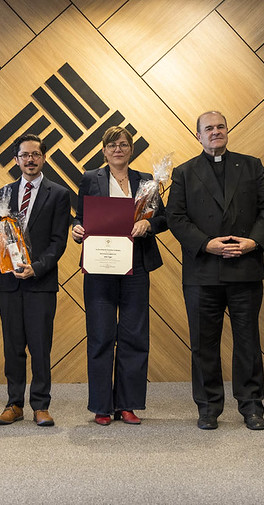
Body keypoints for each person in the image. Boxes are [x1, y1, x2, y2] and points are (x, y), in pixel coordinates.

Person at [166, 111, 264, 431]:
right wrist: (206, 244)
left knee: (247, 341)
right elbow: (176, 217)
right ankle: (208, 406)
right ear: (198, 136)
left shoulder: (251, 165)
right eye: (209, 129)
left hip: (245, 267)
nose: (216, 132)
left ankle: (252, 406)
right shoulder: (184, 172)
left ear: (227, 131)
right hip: (203, 271)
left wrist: (253, 242)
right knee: (203, 343)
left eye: (220, 127)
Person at [72, 125, 167, 425]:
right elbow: (80, 218)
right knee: (101, 336)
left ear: (131, 149)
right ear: (103, 150)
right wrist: (76, 230)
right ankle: (102, 405)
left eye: (123, 144)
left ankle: (127, 404)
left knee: (134, 336)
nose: (118, 150)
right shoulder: (90, 178)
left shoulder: (147, 182)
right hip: (99, 267)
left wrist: (148, 225)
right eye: (112, 145)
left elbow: (162, 218)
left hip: (135, 266)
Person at [0, 133, 71, 427]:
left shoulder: (58, 193)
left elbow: (58, 242)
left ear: (43, 158)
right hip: (9, 284)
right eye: (24, 155)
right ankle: (13, 404)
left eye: (35, 154)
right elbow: (3, 241)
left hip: (40, 282)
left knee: (40, 346)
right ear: (16, 160)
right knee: (13, 346)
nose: (30, 160)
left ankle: (41, 405)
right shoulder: (3, 193)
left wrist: (37, 268)